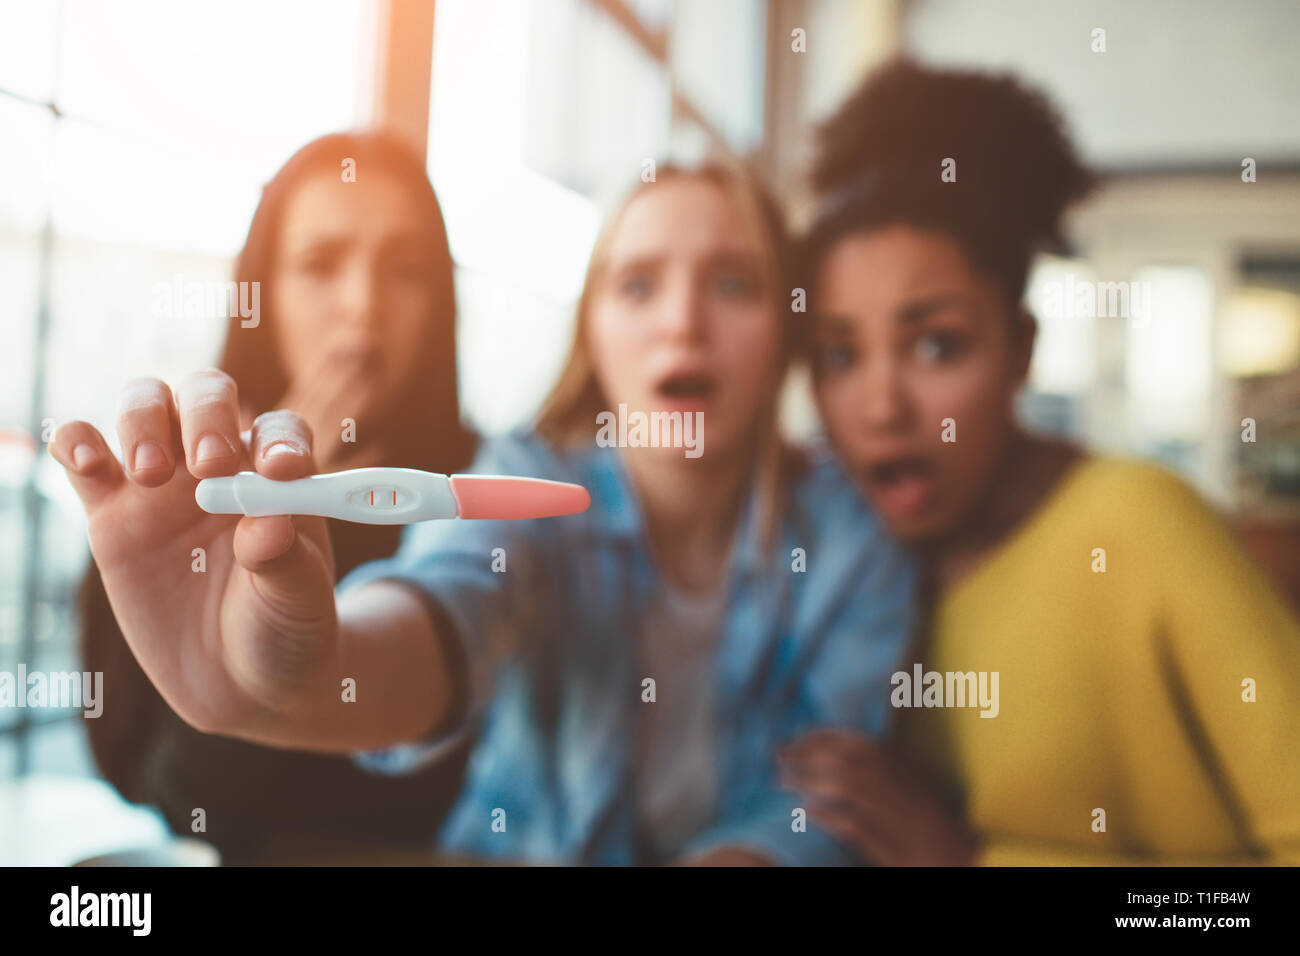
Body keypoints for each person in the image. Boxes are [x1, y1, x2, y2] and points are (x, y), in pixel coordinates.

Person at [53, 160, 915, 865]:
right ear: (594, 335)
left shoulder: (850, 543)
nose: (683, 322)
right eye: (639, 285)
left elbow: (818, 805)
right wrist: (288, 682)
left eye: (733, 283)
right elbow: (440, 610)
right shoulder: (516, 486)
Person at [779, 59, 1300, 865]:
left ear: (1021, 348)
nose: (882, 407)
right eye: (839, 355)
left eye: (936, 345)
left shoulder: (1141, 528)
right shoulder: (847, 575)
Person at [77, 131, 478, 862]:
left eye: (407, 271)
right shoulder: (180, 493)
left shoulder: (480, 504)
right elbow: (174, 802)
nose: (362, 307)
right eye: (320, 265)